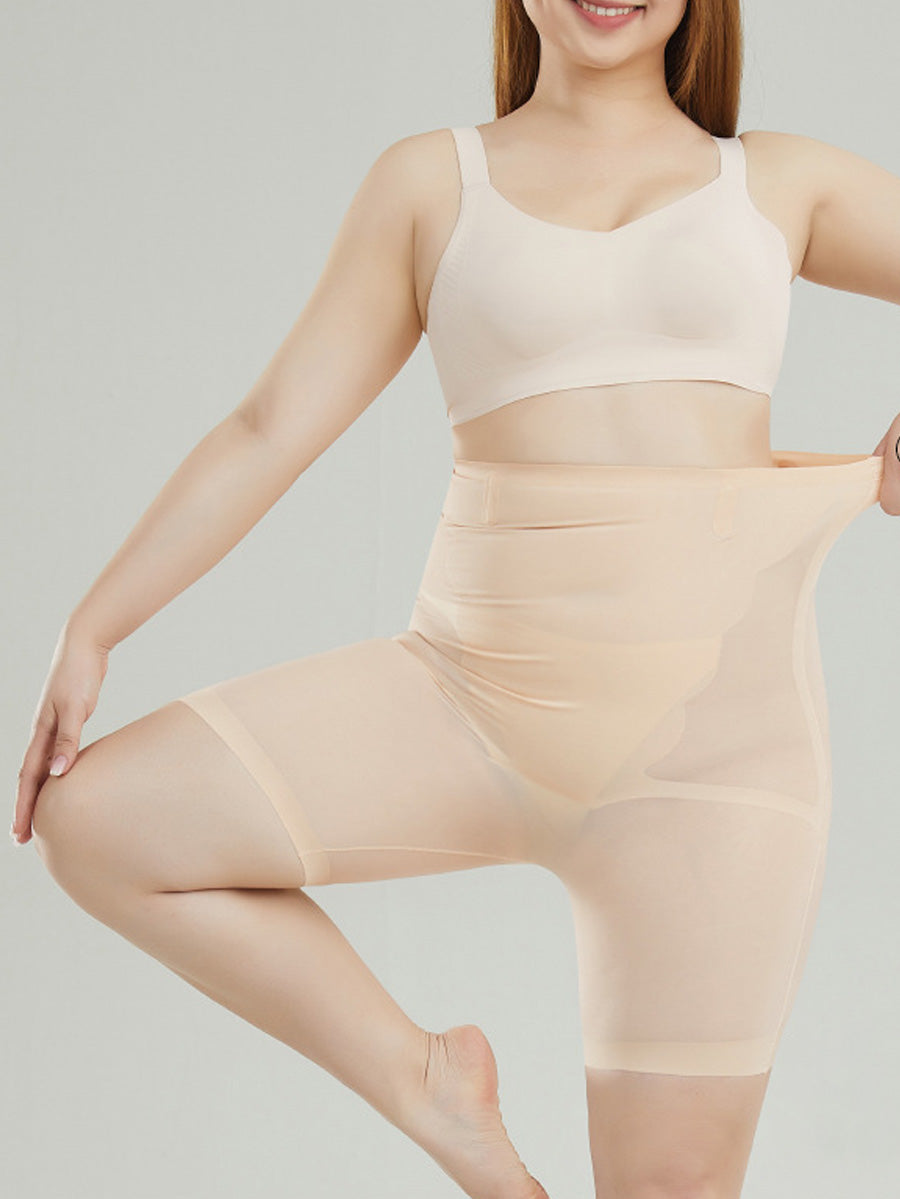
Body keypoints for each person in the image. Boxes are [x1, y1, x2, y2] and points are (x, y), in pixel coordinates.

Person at [13, 1, 900, 1196]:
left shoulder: (781, 182)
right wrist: (94, 624)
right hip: (469, 704)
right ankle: (428, 1087)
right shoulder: (431, 184)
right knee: (97, 821)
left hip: (716, 765)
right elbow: (269, 426)